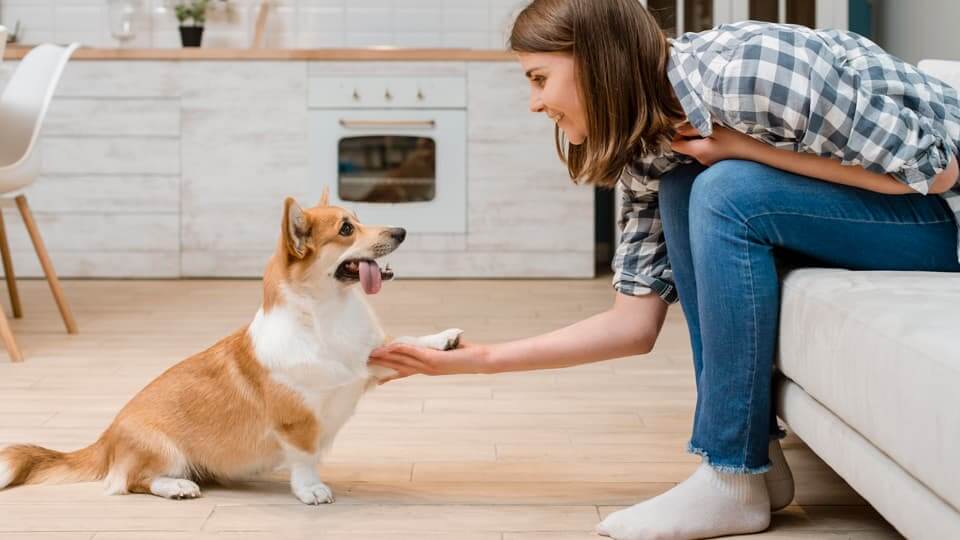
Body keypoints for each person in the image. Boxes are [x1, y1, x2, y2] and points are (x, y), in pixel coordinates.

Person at [369, 1, 960, 538]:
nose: (535, 103)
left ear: (598, 62)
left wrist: (740, 148)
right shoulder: (655, 140)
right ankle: (754, 459)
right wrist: (479, 360)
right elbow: (634, 324)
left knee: (723, 186)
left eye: (539, 78)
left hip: (944, 220)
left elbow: (935, 175)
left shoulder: (747, 72)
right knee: (688, 184)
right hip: (886, 212)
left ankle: (731, 475)